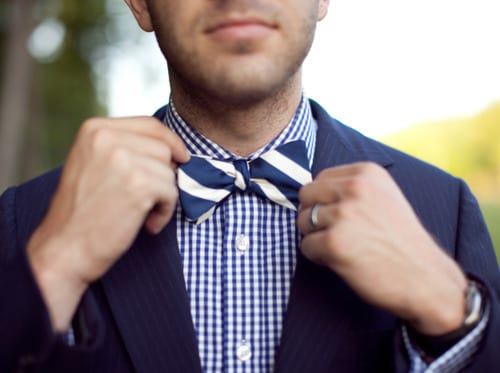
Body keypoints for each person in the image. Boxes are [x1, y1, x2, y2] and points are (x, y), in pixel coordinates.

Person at [1, 0, 499, 371]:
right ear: (139, 3)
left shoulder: (443, 209)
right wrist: (52, 268)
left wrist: (453, 313)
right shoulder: (25, 219)